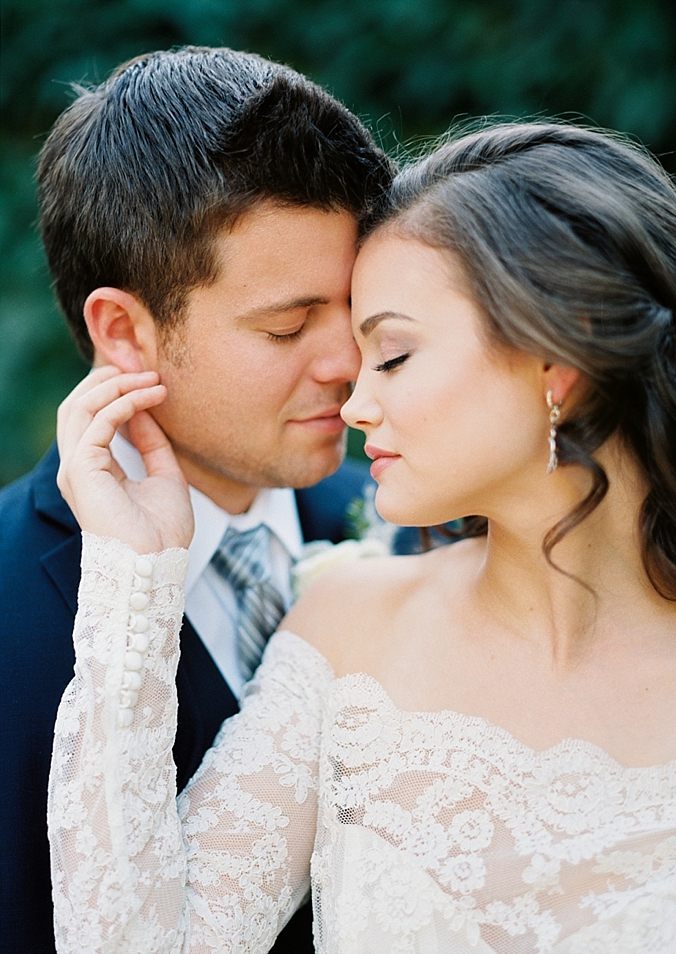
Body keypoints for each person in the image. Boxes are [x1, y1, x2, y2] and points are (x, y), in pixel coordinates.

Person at [49, 122, 676, 952]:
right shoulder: (347, 630)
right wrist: (134, 581)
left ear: (559, 359)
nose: (354, 405)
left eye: (391, 355)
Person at [0, 46, 395, 954]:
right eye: (288, 325)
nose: (348, 363)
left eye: (360, 307)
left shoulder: (418, 520)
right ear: (123, 331)